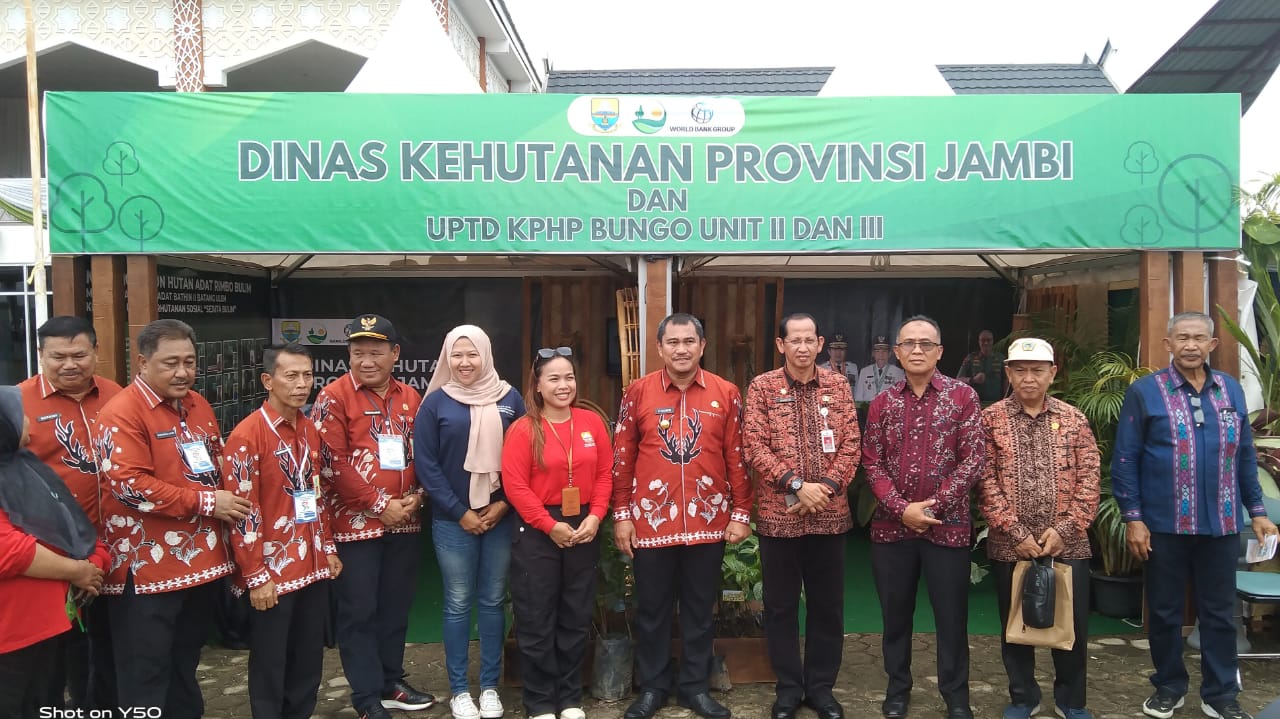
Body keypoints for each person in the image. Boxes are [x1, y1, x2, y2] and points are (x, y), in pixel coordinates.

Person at [1113, 311, 1279, 719]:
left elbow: (1244, 456)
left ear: (1212, 344)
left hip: (1222, 524)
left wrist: (1258, 512)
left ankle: (1220, 694)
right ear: (1168, 344)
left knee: (1219, 614)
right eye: (1182, 337)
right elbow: (1125, 459)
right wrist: (1133, 518)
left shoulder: (1230, 390)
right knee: (1165, 612)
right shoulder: (1145, 392)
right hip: (1164, 525)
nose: (1191, 345)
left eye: (1199, 338)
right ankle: (1169, 687)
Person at [96, 319, 252, 719]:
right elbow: (130, 486)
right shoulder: (122, 412)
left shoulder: (197, 403)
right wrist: (206, 502)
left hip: (200, 565)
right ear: (143, 363)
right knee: (145, 671)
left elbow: (214, 462)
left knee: (185, 662)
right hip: (146, 571)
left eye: (189, 362)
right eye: (170, 363)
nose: (182, 372)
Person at [614, 313, 753, 719]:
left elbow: (737, 457)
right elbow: (622, 456)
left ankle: (694, 688)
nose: (681, 349)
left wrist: (742, 512)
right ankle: (653, 687)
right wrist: (621, 514)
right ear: (660, 348)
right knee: (652, 610)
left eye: (689, 341)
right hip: (651, 520)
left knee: (699, 610)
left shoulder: (726, 393)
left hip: (708, 520)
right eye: (672, 342)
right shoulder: (637, 393)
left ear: (702, 346)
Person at [312, 314, 433, 719]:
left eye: (376, 352)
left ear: (395, 353)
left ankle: (390, 682)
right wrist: (381, 505)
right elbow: (332, 463)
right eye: (358, 352)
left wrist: (418, 496)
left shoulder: (411, 396)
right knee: (359, 611)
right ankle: (366, 697)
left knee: (395, 606)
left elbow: (425, 454)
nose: (366, 361)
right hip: (355, 526)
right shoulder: (333, 397)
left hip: (405, 521)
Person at [861, 315, 983, 719]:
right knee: (895, 617)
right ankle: (897, 690)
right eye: (909, 344)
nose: (917, 350)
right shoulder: (883, 402)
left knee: (952, 618)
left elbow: (973, 461)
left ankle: (956, 697)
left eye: (926, 344)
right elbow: (871, 462)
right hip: (891, 530)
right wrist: (902, 509)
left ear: (940, 351)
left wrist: (931, 507)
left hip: (947, 528)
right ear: (896, 352)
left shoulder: (963, 397)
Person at [743, 313, 861, 719]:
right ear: (781, 345)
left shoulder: (838, 385)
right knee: (780, 607)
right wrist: (796, 485)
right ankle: (789, 690)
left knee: (828, 606)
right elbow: (754, 446)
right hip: (780, 519)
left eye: (810, 340)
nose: (803, 347)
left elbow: (852, 444)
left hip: (830, 514)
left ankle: (821, 689)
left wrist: (823, 488)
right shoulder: (762, 387)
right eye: (794, 340)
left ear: (820, 343)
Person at [978, 338, 1100, 719]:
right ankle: (1023, 697)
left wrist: (1066, 528)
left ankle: (1071, 700)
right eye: (1020, 370)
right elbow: (984, 481)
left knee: (1072, 625)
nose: (1028, 378)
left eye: (1037, 370)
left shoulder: (1074, 418)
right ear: (1009, 373)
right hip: (1010, 545)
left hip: (1069, 544)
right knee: (1016, 625)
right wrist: (1016, 533)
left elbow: (1090, 477)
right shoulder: (990, 419)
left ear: (1052, 373)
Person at [223, 343, 343, 719]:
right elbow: (242, 513)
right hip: (272, 572)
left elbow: (317, 495)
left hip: (312, 564)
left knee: (307, 659)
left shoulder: (308, 429)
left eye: (307, 375)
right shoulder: (247, 435)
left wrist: (328, 548)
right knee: (271, 662)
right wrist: (255, 576)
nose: (301, 384)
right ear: (268, 381)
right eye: (291, 376)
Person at [415, 325, 525, 719]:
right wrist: (459, 511)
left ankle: (490, 687)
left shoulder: (510, 398)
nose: (464, 362)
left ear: (486, 354)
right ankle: (460, 690)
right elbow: (426, 465)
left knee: (493, 601)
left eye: (472, 353)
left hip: (499, 518)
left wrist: (505, 504)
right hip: (452, 521)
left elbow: (524, 454)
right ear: (447, 358)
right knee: (459, 601)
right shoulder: (435, 403)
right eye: (456, 355)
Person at [501, 347, 612, 719]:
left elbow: (605, 474)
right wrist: (549, 526)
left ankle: (569, 698)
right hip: (537, 528)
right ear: (537, 385)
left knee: (575, 615)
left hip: (583, 524)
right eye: (554, 378)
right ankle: (539, 701)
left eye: (569, 377)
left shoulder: (591, 422)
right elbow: (516, 487)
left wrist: (596, 516)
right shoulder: (523, 429)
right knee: (536, 617)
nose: (563, 385)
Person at [18, 316, 122, 710]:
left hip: (116, 547)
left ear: (96, 351)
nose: (69, 365)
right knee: (58, 654)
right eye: (58, 356)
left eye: (79, 355)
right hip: (53, 553)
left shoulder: (116, 395)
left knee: (108, 649)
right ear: (40, 355)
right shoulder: (18, 404)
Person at [0, 385, 108, 719]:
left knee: (46, 705)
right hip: (10, 635)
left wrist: (94, 562)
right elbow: (9, 551)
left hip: (51, 624)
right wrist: (78, 571)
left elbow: (74, 528)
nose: (29, 422)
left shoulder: (27, 469)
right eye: (20, 415)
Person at [957, 330, 1006, 403]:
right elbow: (958, 379)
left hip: (996, 403)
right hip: (975, 402)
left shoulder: (1001, 358)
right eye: (983, 340)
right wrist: (973, 380)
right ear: (979, 342)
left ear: (992, 341)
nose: (986, 343)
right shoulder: (971, 358)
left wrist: (1005, 399)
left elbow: (1006, 381)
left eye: (988, 340)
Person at [854, 336, 904, 403]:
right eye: (877, 351)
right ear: (873, 354)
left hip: (888, 407)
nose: (881, 355)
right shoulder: (865, 371)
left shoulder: (898, 372)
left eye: (884, 351)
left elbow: (901, 397)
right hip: (868, 407)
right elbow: (858, 397)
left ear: (889, 354)